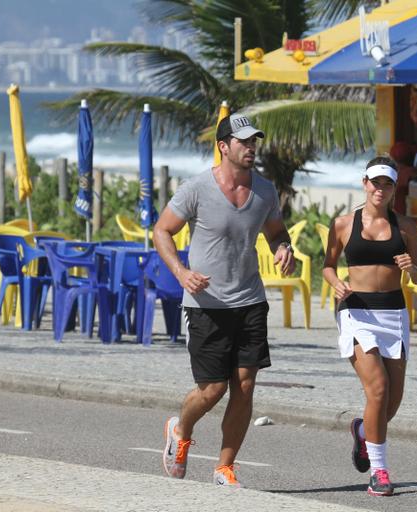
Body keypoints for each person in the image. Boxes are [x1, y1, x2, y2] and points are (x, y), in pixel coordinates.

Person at [155, 112, 295, 486]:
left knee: (246, 385)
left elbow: (277, 232)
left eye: (254, 142)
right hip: (206, 305)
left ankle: (225, 466)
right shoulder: (196, 189)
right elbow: (162, 231)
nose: (251, 148)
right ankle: (180, 429)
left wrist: (284, 248)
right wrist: (182, 273)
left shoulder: (264, 191)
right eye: (244, 142)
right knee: (213, 389)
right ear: (223, 147)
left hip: (249, 299)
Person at [323, 155, 417, 496]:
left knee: (391, 401)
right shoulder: (343, 224)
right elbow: (327, 265)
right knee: (378, 389)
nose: (380, 189)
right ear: (364, 183)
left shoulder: (405, 226)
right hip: (356, 312)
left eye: (387, 184)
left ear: (394, 188)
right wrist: (335, 282)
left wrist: (412, 267)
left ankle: (364, 434)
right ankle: (379, 471)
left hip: (393, 313)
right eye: (375, 182)